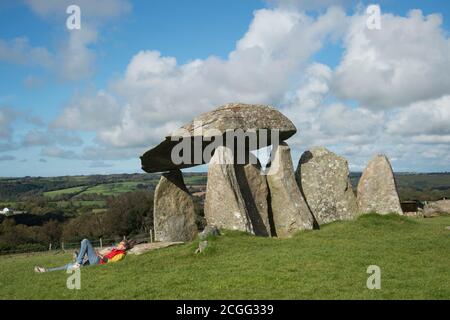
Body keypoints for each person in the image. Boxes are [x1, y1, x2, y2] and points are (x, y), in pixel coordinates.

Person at [34, 238, 133, 273]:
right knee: (69, 266)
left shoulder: (122, 254)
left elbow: (110, 261)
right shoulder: (116, 250)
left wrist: (100, 255)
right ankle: (45, 271)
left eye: (120, 244)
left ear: (124, 247)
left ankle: (78, 261)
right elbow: (108, 256)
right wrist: (99, 253)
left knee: (85, 241)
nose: (119, 244)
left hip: (98, 261)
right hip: (96, 259)